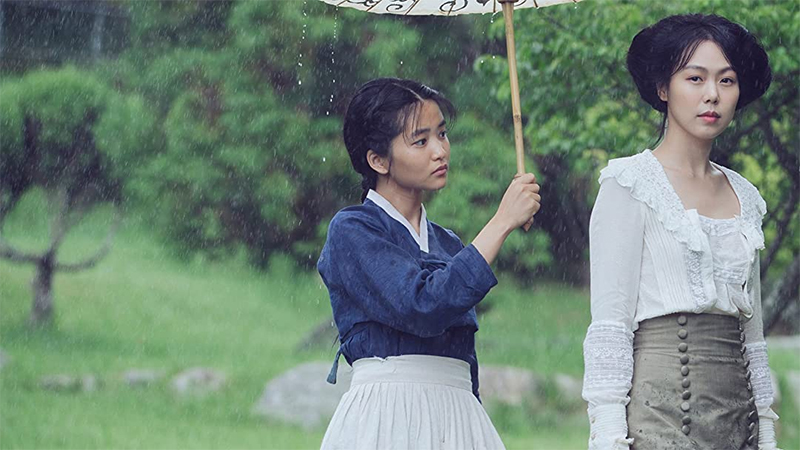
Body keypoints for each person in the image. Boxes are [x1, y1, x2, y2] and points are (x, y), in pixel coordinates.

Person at [581, 14, 780, 450]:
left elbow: (754, 336)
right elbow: (610, 326)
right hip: (659, 419)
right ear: (662, 88)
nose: (712, 95)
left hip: (736, 421)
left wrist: (765, 432)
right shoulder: (629, 184)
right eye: (695, 78)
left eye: (727, 81)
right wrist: (609, 436)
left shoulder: (745, 195)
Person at [317, 78, 540, 449]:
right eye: (420, 141)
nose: (440, 151)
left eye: (442, 134)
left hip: (458, 416)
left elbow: (465, 355)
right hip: (388, 417)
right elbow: (422, 307)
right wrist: (501, 222)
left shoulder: (448, 242)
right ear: (378, 159)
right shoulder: (352, 230)